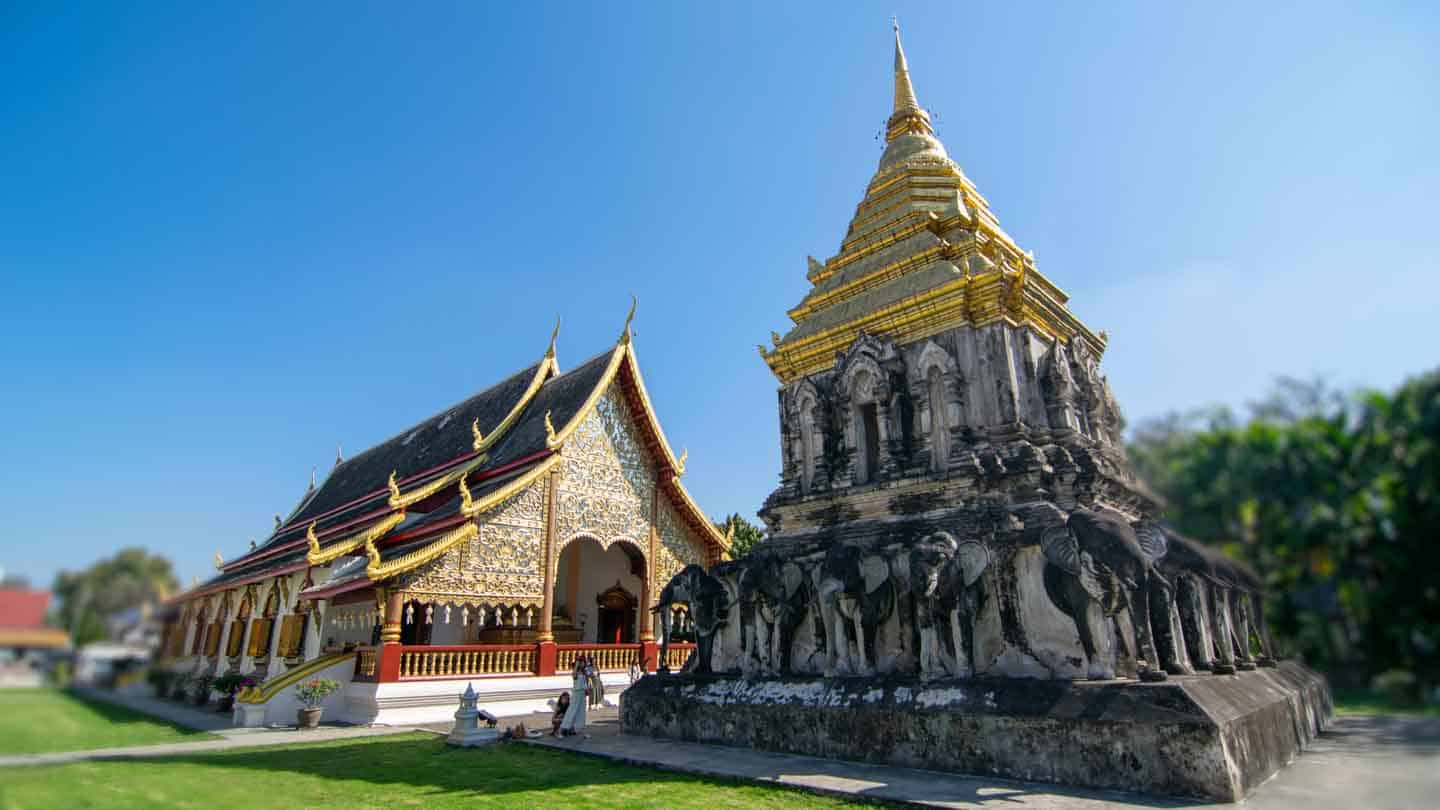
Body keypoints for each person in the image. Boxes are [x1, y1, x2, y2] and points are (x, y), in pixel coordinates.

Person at [558, 658, 587, 735]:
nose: (582, 664)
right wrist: (577, 664)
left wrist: (587, 690)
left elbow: (585, 683)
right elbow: (574, 675)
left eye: (583, 662)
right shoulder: (575, 672)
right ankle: (562, 729)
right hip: (576, 692)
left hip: (582, 693)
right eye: (581, 662)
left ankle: (574, 728)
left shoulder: (584, 673)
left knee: (581, 711)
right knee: (572, 710)